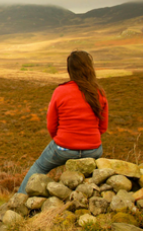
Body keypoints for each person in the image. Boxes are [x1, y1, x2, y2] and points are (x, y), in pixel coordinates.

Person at [17, 50, 108, 194]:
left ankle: (18, 202)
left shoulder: (61, 91)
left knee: (39, 167)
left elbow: (51, 125)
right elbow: (102, 127)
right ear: (90, 68)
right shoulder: (99, 93)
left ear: (70, 70)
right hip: (93, 150)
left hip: (63, 148)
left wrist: (62, 140)